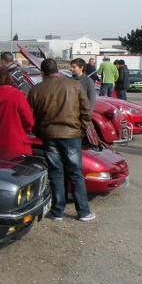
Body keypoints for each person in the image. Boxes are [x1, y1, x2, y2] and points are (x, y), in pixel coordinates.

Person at [28, 58, 95, 222]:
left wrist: (38, 130)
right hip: (72, 134)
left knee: (56, 173)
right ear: (57, 70)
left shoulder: (36, 89)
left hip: (49, 135)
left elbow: (30, 116)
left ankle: (57, 211)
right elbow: (87, 109)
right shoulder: (74, 85)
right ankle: (83, 212)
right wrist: (82, 127)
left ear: (42, 73)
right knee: (75, 174)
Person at [0, 67, 34, 158]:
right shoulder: (17, 95)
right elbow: (28, 120)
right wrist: (26, 129)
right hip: (16, 142)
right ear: (9, 79)